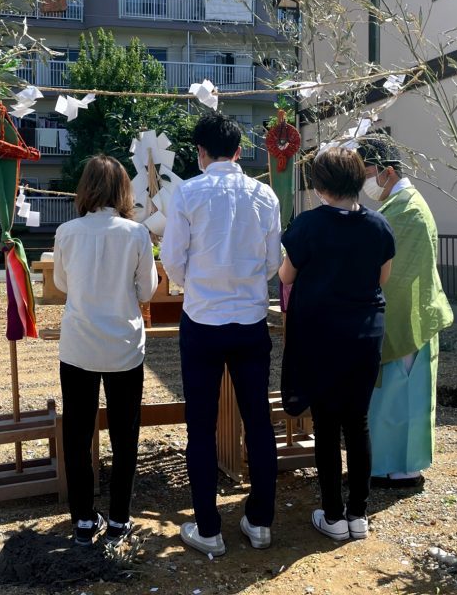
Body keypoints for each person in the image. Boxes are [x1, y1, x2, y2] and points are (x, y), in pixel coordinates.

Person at [160, 111, 282, 556]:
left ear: (200, 152)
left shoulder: (188, 193)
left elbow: (171, 259)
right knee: (258, 422)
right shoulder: (264, 194)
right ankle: (260, 521)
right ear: (238, 151)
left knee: (201, 427)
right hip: (250, 321)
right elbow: (272, 263)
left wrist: (198, 282)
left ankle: (208, 527)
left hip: (203, 320)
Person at [278, 147, 395, 541]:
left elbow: (287, 275)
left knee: (327, 424)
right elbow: (381, 279)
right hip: (364, 334)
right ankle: (358, 513)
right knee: (357, 422)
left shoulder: (309, 225)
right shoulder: (379, 226)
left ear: (320, 184)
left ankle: (332, 515)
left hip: (321, 334)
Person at [53, 155, 159, 546]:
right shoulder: (136, 234)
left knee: (78, 434)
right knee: (124, 434)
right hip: (124, 346)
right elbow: (146, 291)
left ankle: (82, 518)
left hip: (78, 345)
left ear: (85, 188)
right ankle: (119, 518)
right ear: (123, 190)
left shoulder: (67, 232)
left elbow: (63, 284)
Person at [357, 136, 453, 490]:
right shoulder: (402, 204)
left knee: (399, 395)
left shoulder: (406, 209)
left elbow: (395, 271)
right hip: (409, 312)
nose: (364, 183)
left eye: (366, 173)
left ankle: (398, 468)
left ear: (388, 171)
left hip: (407, 314)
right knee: (394, 397)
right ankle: (388, 464)